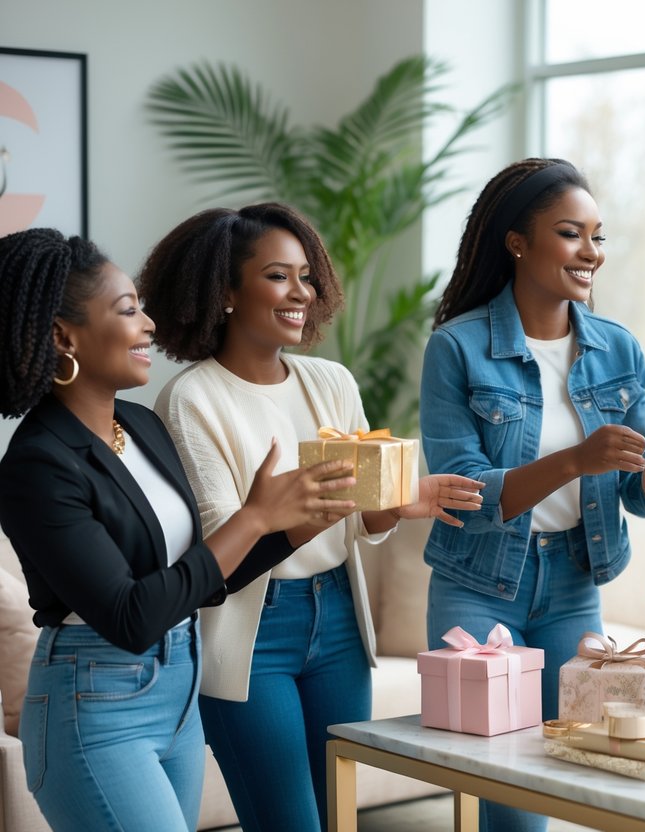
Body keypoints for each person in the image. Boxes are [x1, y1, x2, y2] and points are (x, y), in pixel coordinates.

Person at [138, 202, 484, 832]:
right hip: (251, 633)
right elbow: (223, 554)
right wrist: (314, 508)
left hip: (339, 624)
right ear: (226, 292)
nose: (302, 292)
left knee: (337, 817)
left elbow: (363, 523)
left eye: (306, 275)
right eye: (278, 276)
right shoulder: (192, 400)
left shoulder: (330, 382)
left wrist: (399, 505)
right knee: (289, 823)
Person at [0, 228, 357, 831]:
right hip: (95, 705)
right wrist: (254, 516)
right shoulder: (37, 465)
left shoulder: (138, 425)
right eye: (127, 311)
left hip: (179, 696)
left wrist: (296, 523)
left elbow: (204, 579)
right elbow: (132, 616)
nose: (148, 327)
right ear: (64, 336)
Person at [420, 158, 645, 831]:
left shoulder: (616, 349)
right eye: (572, 234)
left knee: (567, 775)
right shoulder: (455, 349)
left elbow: (633, 480)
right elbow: (465, 490)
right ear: (517, 242)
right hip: (478, 584)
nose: (591, 253)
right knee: (509, 793)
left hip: (574, 581)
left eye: (598, 237)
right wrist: (577, 459)